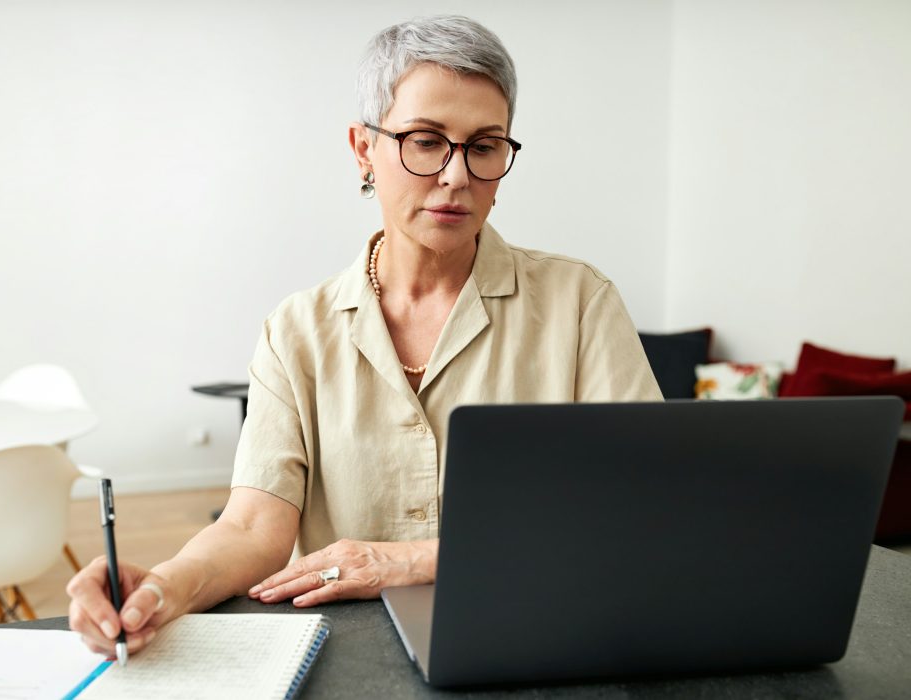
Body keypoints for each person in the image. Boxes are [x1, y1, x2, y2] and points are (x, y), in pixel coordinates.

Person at [67, 14, 662, 656]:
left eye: (484, 146)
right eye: (426, 141)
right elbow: (250, 527)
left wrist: (411, 561)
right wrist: (161, 587)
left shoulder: (579, 304)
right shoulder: (296, 331)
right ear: (363, 150)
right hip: (350, 654)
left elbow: (638, 508)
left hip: (540, 637)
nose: (457, 176)